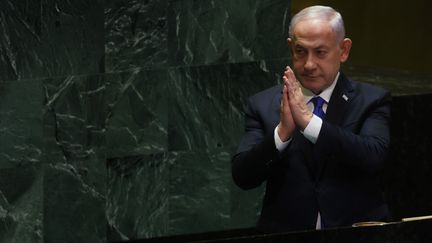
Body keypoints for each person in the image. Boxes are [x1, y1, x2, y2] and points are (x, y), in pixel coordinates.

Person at [231, 5, 391, 233]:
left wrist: (310, 124)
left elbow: (373, 156)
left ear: (343, 50)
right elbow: (243, 176)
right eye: (300, 51)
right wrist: (281, 134)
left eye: (320, 52)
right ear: (290, 47)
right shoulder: (263, 104)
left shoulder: (371, 100)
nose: (308, 64)